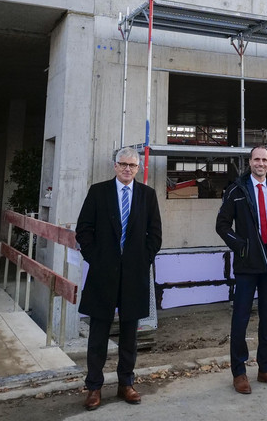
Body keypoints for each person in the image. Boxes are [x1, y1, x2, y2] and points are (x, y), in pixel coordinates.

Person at [75, 147, 163, 411]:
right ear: (114, 166)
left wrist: (142, 259)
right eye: (123, 164)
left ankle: (126, 383)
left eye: (132, 166)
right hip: (103, 273)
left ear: (138, 169)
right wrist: (96, 258)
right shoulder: (98, 192)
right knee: (98, 334)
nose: (127, 169)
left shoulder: (147, 195)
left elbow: (155, 234)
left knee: (129, 335)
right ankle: (94, 387)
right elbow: (83, 230)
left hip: (134, 274)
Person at [216, 145, 267, 394]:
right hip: (247, 266)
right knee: (240, 319)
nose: (261, 163)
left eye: (265, 160)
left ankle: (265, 369)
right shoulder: (236, 190)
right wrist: (242, 247)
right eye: (256, 159)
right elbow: (222, 225)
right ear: (249, 162)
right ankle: (239, 373)